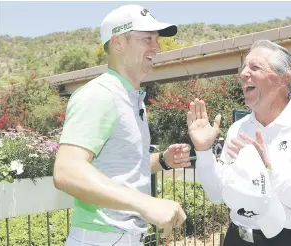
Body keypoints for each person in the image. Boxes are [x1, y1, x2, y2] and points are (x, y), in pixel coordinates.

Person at [53, 5, 189, 246]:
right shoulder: (100, 94)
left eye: (156, 39)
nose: (156, 47)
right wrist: (145, 203)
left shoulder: (131, 98)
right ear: (117, 43)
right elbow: (66, 171)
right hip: (102, 238)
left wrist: (163, 160)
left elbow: (120, 170)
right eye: (147, 38)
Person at [187, 40, 291, 245]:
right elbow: (217, 195)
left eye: (255, 67)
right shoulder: (238, 129)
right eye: (244, 67)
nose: (243, 74)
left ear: (283, 79)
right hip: (237, 238)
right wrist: (203, 151)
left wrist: (268, 170)